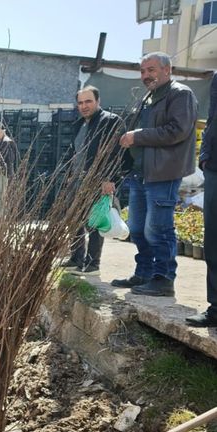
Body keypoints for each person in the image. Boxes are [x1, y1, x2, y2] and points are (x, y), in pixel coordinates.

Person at [113, 52, 197, 297]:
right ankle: (145, 273)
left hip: (164, 173)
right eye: (142, 71)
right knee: (137, 228)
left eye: (151, 69)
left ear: (167, 70)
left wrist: (137, 136)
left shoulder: (180, 94)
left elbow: (177, 130)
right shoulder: (149, 97)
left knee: (158, 229)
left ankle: (163, 278)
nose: (146, 75)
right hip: (141, 173)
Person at [60, 85, 125, 275]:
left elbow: (116, 152)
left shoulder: (110, 121)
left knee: (96, 219)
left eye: (88, 101)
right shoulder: (79, 124)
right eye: (80, 102)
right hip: (77, 180)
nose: (84, 106)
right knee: (73, 219)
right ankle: (76, 258)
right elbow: (75, 152)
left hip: (98, 180)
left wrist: (109, 178)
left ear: (98, 101)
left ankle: (92, 263)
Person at [187, 74, 217, 326]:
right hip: (216, 165)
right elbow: (213, 115)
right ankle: (216, 307)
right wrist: (205, 155)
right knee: (214, 238)